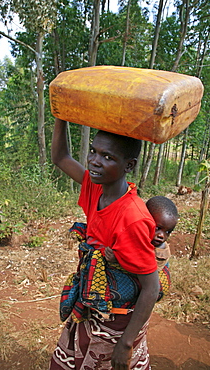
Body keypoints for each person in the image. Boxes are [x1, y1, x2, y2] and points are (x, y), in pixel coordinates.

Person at [49, 118, 159, 370]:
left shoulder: (132, 218)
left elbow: (151, 288)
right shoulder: (96, 186)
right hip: (93, 300)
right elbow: (60, 157)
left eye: (107, 157)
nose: (95, 161)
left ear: (128, 165)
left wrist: (126, 343)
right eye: (93, 151)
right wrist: (61, 115)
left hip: (117, 318)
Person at [105, 195, 178, 301]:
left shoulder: (161, 251)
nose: (161, 235)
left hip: (141, 287)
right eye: (158, 228)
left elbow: (144, 270)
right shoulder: (133, 234)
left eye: (168, 232)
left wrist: (117, 260)